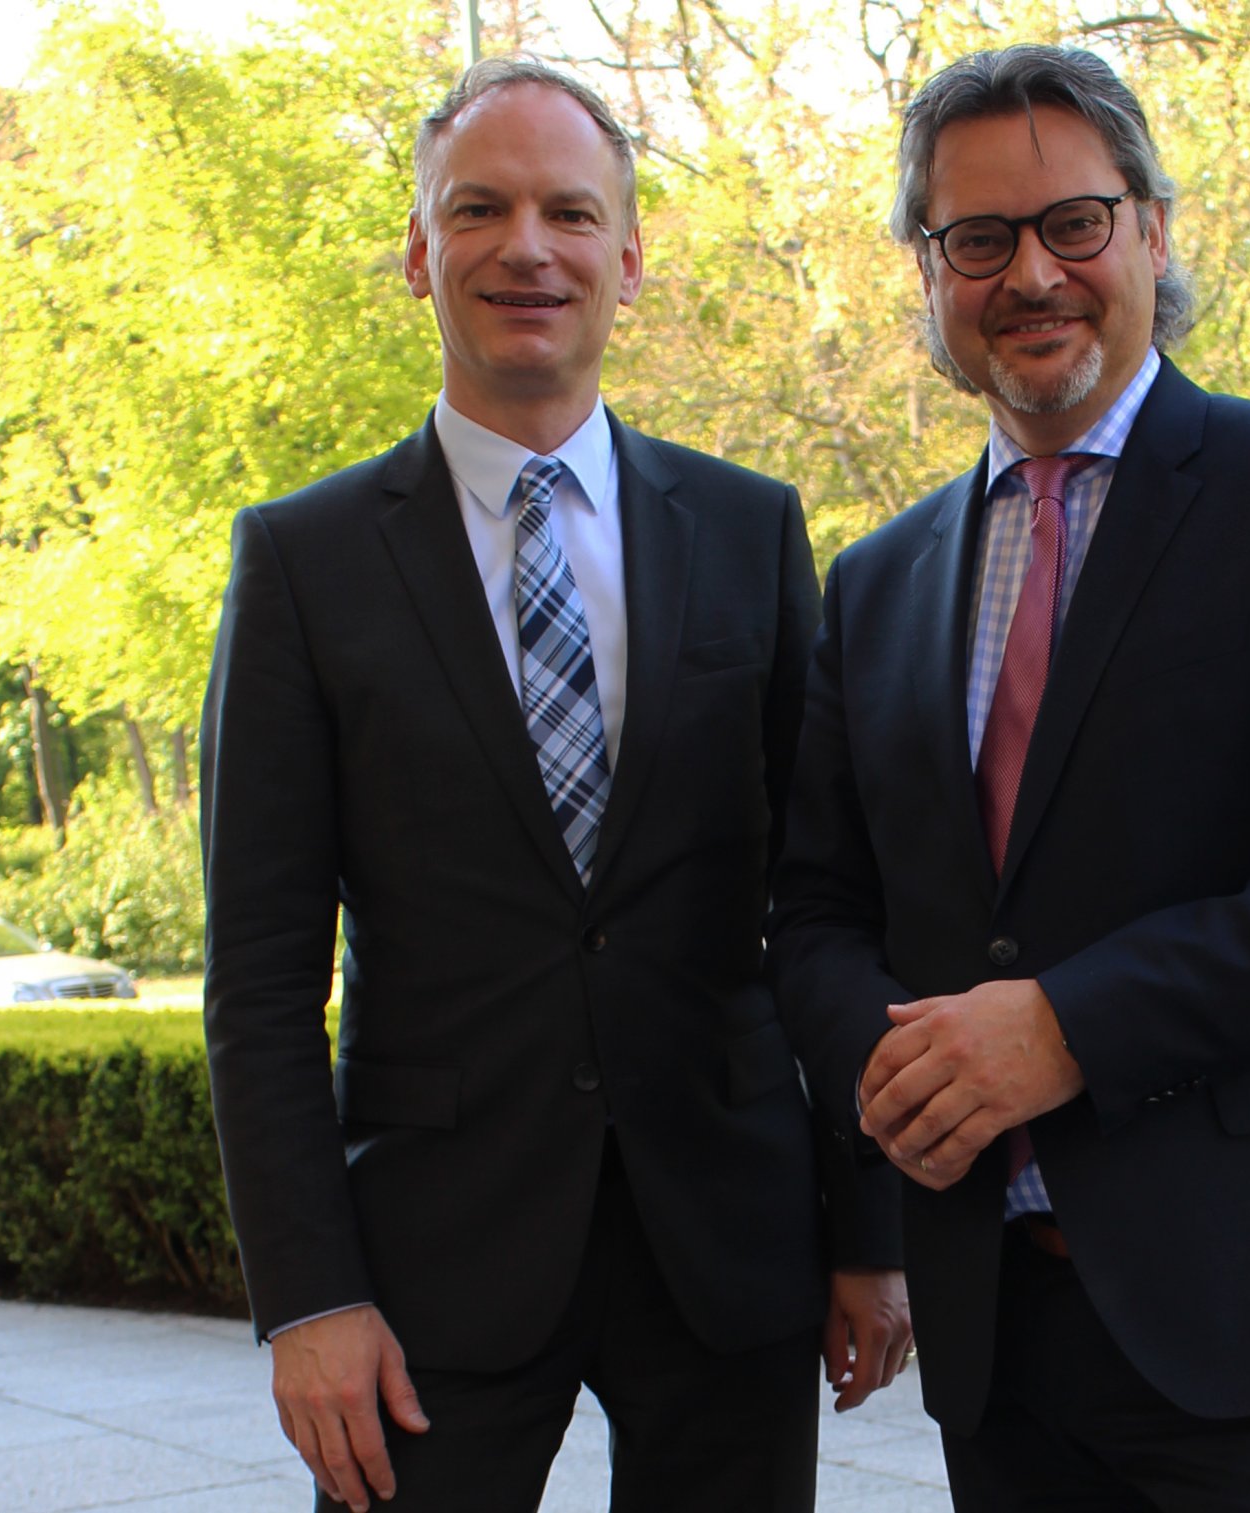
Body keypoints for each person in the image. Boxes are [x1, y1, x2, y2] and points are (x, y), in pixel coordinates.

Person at [769, 43, 1250, 1512]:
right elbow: (819, 909)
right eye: (980, 238)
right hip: (1000, 1340)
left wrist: (1068, 1028)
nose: (1032, 273)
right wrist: (897, 1074)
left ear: (1153, 230)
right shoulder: (880, 581)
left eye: (1075, 223)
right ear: (931, 274)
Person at [200, 56, 908, 1513]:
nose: (528, 247)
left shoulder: (750, 531)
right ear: (420, 252)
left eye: (571, 213)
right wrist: (307, 1296)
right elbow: (258, 981)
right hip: (426, 1271)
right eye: (480, 208)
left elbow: (828, 909)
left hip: (728, 1242)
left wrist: (870, 1229)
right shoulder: (302, 563)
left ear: (628, 260)